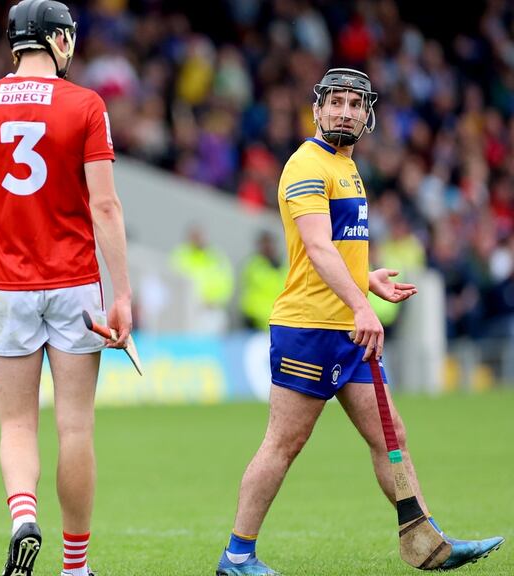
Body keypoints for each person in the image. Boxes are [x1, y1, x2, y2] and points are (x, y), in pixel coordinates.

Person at [215, 68, 505, 576]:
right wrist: (362, 305)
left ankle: (424, 540)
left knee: (391, 433)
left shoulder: (346, 166)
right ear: (318, 109)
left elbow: (335, 253)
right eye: (337, 102)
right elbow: (317, 248)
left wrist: (366, 281)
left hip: (345, 326)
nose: (345, 110)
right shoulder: (306, 164)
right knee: (283, 444)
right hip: (310, 328)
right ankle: (237, 555)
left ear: (367, 114)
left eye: (356, 103)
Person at [0, 2, 132, 575]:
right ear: (57, 39)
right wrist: (121, 294)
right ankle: (75, 567)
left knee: (16, 425)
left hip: (4, 285)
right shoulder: (86, 104)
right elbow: (104, 205)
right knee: (75, 426)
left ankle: (22, 516)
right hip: (76, 283)